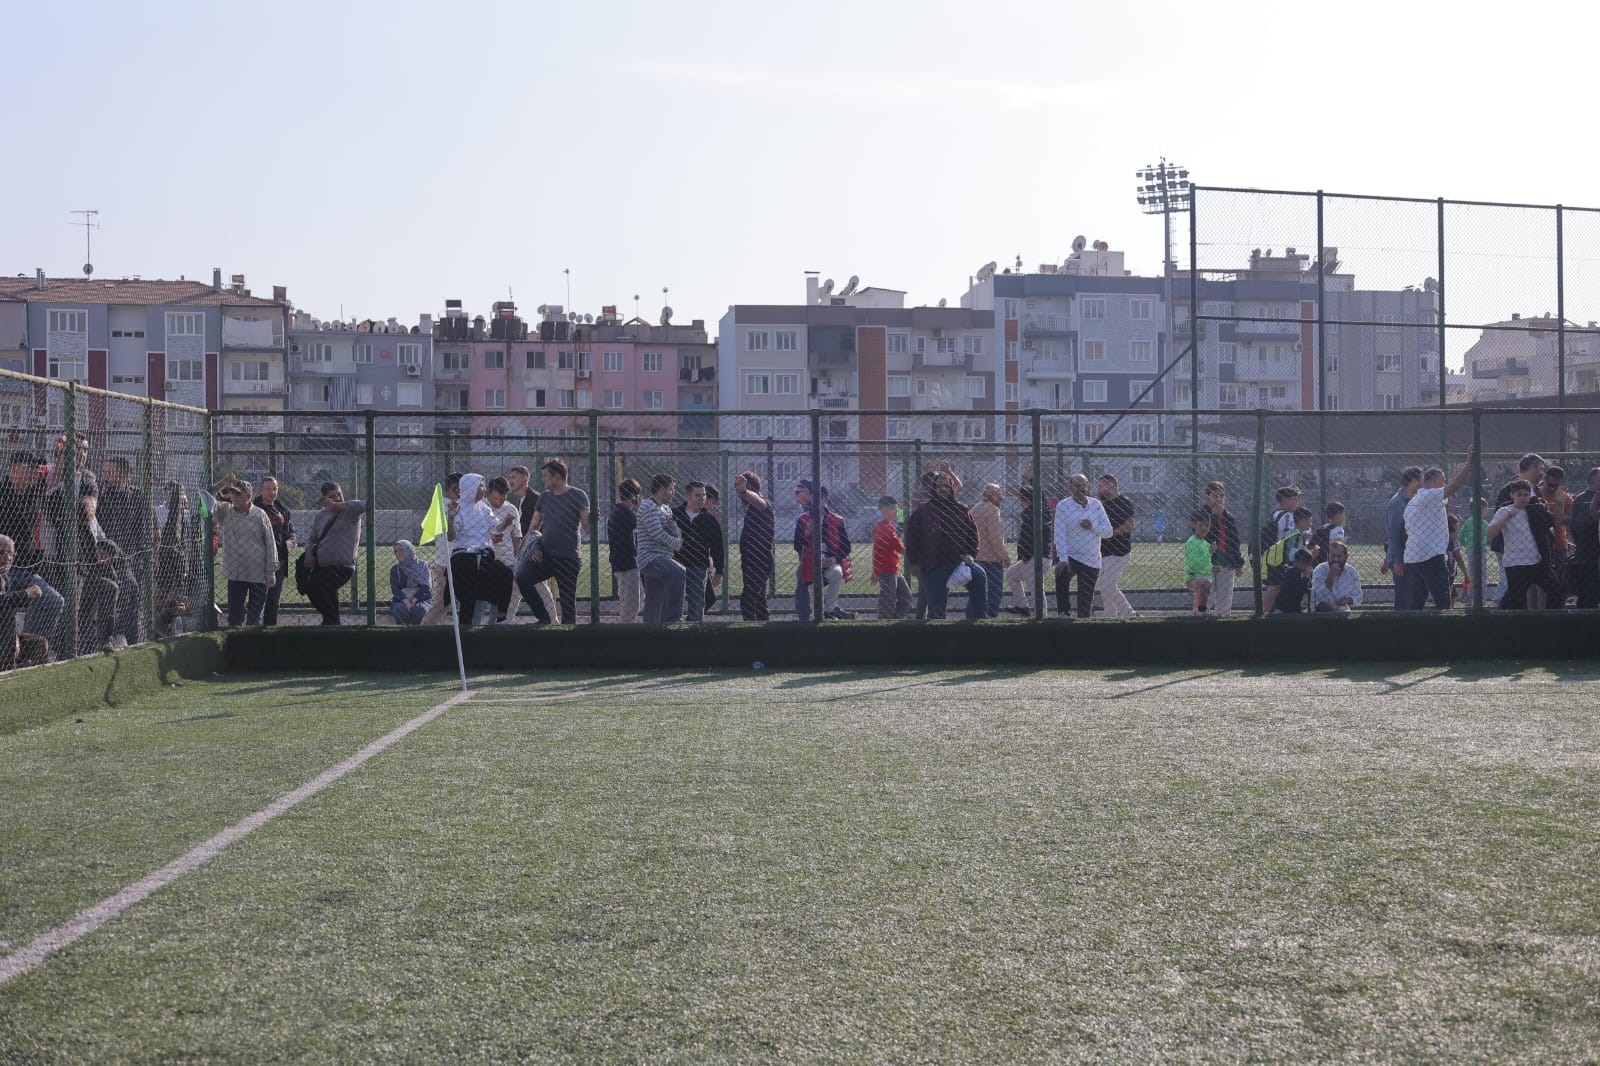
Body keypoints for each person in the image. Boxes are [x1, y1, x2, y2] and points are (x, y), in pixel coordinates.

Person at [1401, 450, 1476, 611]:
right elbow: (1455, 486)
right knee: (1443, 602)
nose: (1445, 483)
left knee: (1416, 605)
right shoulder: (1430, 495)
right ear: (1435, 482)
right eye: (1443, 481)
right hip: (1431, 556)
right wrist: (1469, 463)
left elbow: (1408, 531)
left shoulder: (1413, 502)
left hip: (1413, 558)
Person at [904, 471, 985, 620]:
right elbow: (911, 540)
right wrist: (914, 562)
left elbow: (973, 534)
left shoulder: (962, 510)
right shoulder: (922, 512)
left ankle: (977, 619)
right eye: (940, 486)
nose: (943, 489)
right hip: (933, 565)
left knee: (980, 576)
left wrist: (970, 554)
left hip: (959, 563)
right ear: (933, 488)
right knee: (937, 610)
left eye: (947, 486)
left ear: (952, 489)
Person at [519, 458, 590, 626]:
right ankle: (544, 617)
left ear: (557, 477)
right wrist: (534, 548)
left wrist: (592, 519)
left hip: (568, 557)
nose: (543, 479)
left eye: (546, 476)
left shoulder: (578, 495)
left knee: (567, 601)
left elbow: (588, 528)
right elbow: (533, 527)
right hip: (545, 555)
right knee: (523, 578)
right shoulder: (544, 498)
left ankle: (568, 636)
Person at [445, 473, 515, 626]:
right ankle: (465, 626)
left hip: (484, 555)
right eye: (481, 486)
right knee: (468, 591)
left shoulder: (483, 507)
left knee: (505, 574)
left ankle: (501, 619)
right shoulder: (458, 508)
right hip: (464, 556)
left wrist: (506, 522)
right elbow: (451, 537)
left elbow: (497, 528)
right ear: (471, 488)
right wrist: (450, 519)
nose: (484, 489)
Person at [209, 475, 277, 628]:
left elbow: (270, 543)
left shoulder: (260, 515)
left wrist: (271, 571)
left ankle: (253, 649)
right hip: (236, 573)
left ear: (248, 496)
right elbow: (206, 498)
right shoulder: (225, 511)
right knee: (234, 619)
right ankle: (236, 648)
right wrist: (222, 483)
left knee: (254, 619)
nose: (233, 496)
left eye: (238, 494)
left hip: (258, 573)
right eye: (232, 493)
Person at [1487, 478, 1560, 610]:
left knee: (1556, 590)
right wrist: (1507, 517)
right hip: (1516, 563)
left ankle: (1550, 620)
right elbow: (1490, 533)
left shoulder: (1535, 509)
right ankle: (1503, 620)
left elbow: (1554, 521)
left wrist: (1560, 504)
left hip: (1537, 562)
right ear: (1512, 495)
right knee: (1516, 599)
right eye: (1519, 495)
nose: (1523, 498)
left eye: (1526, 495)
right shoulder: (1505, 510)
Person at [300, 480, 367, 626]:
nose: (337, 497)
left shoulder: (350, 512)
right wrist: (309, 553)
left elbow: (364, 505)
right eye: (332, 496)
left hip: (342, 566)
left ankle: (331, 620)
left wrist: (335, 505)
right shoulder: (320, 516)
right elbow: (311, 537)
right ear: (324, 498)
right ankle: (332, 623)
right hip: (322, 566)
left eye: (339, 494)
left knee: (313, 586)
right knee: (328, 595)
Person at [1052, 474, 1113, 619]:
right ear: (1070, 488)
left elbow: (1109, 532)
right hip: (1071, 556)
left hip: (1091, 559)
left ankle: (1083, 621)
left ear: (1088, 487)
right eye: (1076, 485)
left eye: (1083, 485)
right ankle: (1063, 613)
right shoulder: (1063, 505)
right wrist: (1063, 558)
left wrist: (1093, 527)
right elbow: (1059, 533)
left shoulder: (1096, 505)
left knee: (1085, 601)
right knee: (1061, 574)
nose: (1080, 489)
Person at [1491, 453, 1547, 606]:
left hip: (1530, 549)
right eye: (1540, 469)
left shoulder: (1534, 488)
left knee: (1526, 589)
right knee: (1512, 588)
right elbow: (1500, 519)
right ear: (1532, 467)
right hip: (1511, 549)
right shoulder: (1511, 489)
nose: (1542, 473)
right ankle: (1502, 614)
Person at [0, 533, 62, 663]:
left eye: (11, 554)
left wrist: (15, 636)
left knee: (40, 643)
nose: (7, 558)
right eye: (2, 553)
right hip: (4, 641)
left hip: (6, 636)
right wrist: (26, 594)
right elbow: (3, 602)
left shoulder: (5, 577)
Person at [795, 484, 852, 621]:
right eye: (813, 497)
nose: (816, 500)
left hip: (829, 562)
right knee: (812, 589)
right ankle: (816, 615)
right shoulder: (803, 519)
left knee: (837, 573)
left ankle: (829, 609)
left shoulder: (837, 520)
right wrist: (806, 533)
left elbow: (846, 547)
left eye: (820, 497)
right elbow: (797, 546)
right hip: (811, 563)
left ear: (827, 499)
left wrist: (834, 558)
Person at [636, 473, 685, 625]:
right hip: (650, 558)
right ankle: (673, 619)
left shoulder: (666, 509)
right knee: (679, 572)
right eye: (671, 489)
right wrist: (677, 543)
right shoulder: (647, 506)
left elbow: (676, 531)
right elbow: (657, 534)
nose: (674, 492)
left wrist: (676, 532)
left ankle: (650, 631)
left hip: (664, 557)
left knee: (654, 599)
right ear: (662, 489)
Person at [673, 481, 723, 623]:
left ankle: (692, 635)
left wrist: (719, 571)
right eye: (698, 495)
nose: (702, 498)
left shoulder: (710, 520)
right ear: (688, 496)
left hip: (698, 567)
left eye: (704, 495)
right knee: (673, 605)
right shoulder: (675, 515)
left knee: (697, 608)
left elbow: (717, 547)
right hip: (675, 565)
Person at [153, 482, 199, 637]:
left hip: (180, 563)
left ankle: (172, 629)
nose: (176, 498)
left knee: (181, 605)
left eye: (178, 495)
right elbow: (164, 534)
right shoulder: (158, 511)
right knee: (165, 599)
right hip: (164, 561)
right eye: (173, 494)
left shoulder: (185, 514)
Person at [97, 456, 151, 571]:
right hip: (103, 557)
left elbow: (141, 529)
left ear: (123, 475)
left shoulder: (136, 496)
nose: (105, 477)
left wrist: (133, 556)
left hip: (129, 558)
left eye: (110, 473)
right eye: (104, 472)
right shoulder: (99, 495)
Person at [1004, 485, 1051, 616]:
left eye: (1022, 499)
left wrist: (1025, 556)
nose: (1020, 502)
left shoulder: (1033, 513)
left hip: (1034, 557)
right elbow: (1041, 498)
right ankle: (1022, 606)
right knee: (1011, 575)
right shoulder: (1042, 510)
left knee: (1036, 589)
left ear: (1027, 500)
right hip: (1033, 557)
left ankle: (1042, 617)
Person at [733, 471, 774, 621]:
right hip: (750, 559)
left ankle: (749, 632)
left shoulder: (764, 503)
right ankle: (763, 632)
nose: (739, 495)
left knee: (748, 600)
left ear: (750, 487)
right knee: (759, 601)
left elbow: (759, 502)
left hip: (760, 559)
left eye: (741, 490)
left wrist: (745, 491)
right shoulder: (751, 509)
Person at [254, 476, 294, 626]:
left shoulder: (281, 508)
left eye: (274, 489)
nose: (272, 492)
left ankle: (270, 629)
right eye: (268, 489)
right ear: (261, 490)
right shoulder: (255, 508)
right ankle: (255, 632)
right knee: (258, 601)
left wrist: (292, 539)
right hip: (260, 560)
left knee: (274, 601)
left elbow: (290, 529)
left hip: (280, 560)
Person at [1095, 474, 1137, 619]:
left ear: (1111, 485)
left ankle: (1130, 614)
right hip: (1104, 552)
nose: (1099, 489)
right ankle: (1110, 617)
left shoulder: (1124, 502)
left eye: (1101, 486)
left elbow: (1130, 525)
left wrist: (1111, 533)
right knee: (1105, 588)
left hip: (1120, 552)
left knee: (1108, 586)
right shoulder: (1102, 504)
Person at [1199, 481, 1244, 615]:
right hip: (1207, 561)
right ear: (1207, 497)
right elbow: (1200, 536)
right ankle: (1202, 616)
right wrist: (1212, 517)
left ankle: (1223, 617)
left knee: (1224, 600)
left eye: (1221, 496)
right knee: (1207, 596)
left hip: (1226, 561)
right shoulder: (1201, 514)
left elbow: (1234, 541)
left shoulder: (1229, 517)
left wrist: (1238, 563)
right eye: (1215, 496)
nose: (1219, 500)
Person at [0, 450, 47, 577]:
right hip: (5, 568)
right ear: (14, 468)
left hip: (28, 566)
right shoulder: (3, 493)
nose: (35, 471)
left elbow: (53, 472)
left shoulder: (32, 493)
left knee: (56, 598)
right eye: (30, 467)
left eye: (36, 468)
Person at [1382, 466, 1423, 611]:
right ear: (1413, 481)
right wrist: (1397, 560)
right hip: (1402, 560)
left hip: (1410, 557)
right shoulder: (1397, 503)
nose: (1422, 484)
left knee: (1412, 596)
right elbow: (1392, 535)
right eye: (1421, 480)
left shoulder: (1413, 499)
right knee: (1404, 598)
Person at [1261, 485, 1303, 614]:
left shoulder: (1276, 513)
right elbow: (1287, 538)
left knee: (1275, 587)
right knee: (1274, 588)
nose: (1298, 502)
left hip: (1272, 554)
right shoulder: (1288, 516)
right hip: (1280, 556)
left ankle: (1267, 612)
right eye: (1295, 499)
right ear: (1285, 500)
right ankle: (1265, 613)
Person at [969, 483, 1009, 619]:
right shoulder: (993, 510)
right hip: (991, 559)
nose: (1001, 498)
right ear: (992, 495)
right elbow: (995, 539)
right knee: (994, 593)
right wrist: (1004, 556)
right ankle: (990, 619)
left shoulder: (975, 508)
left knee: (977, 592)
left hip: (976, 557)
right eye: (999, 494)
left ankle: (972, 617)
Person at [871, 495, 913, 620]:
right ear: (882, 510)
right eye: (892, 508)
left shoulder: (888, 526)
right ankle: (883, 625)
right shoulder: (884, 528)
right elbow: (899, 547)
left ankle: (893, 621)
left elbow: (877, 551)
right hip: (887, 570)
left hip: (893, 569)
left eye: (896, 508)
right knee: (888, 602)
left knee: (906, 599)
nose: (896, 511)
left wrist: (874, 571)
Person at [1537, 466, 1574, 608]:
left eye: (1556, 485)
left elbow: (1563, 521)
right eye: (1550, 484)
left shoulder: (1566, 498)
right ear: (1544, 479)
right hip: (1540, 544)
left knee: (1560, 580)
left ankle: (1557, 608)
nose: (1553, 488)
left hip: (1559, 543)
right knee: (1541, 583)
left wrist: (1559, 504)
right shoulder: (1536, 494)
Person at [608, 479, 643, 623]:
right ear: (634, 496)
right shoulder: (625, 514)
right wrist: (640, 507)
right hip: (627, 564)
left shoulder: (618, 512)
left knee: (634, 600)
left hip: (621, 562)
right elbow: (642, 522)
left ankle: (626, 626)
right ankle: (625, 632)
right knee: (631, 605)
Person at [1568, 466, 1600, 610]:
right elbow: (1580, 526)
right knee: (1588, 589)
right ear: (1592, 481)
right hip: (1587, 549)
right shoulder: (1582, 499)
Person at [1312, 540, 1363, 613]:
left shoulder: (1352, 572)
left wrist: (1348, 600)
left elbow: (1359, 597)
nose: (1336, 559)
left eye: (1339, 556)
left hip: (1344, 611)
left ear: (1346, 557)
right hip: (1322, 612)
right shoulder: (1319, 570)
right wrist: (1330, 576)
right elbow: (1319, 598)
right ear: (1327, 556)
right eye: (1333, 556)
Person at [389, 540, 432, 626]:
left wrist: (413, 600)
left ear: (408, 550)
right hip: (402, 600)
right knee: (399, 609)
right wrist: (406, 602)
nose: (398, 553)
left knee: (419, 609)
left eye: (401, 550)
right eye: (396, 551)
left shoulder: (423, 565)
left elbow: (426, 587)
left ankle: (417, 632)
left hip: (421, 599)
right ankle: (404, 632)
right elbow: (395, 590)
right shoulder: (395, 569)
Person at [1183, 512, 1213, 615]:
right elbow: (1194, 564)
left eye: (1207, 525)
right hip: (1192, 577)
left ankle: (1196, 612)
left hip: (1203, 575)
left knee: (1204, 586)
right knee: (1204, 584)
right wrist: (1209, 552)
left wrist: (1213, 568)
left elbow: (1207, 564)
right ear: (1193, 525)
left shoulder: (1206, 543)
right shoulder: (1191, 542)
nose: (1204, 528)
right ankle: (1202, 611)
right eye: (1201, 525)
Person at [1272, 549, 1315, 614]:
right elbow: (1299, 591)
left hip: (1289, 607)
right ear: (1296, 562)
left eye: (1309, 564)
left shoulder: (1296, 572)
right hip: (1284, 609)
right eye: (1306, 564)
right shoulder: (1293, 574)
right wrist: (1306, 578)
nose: (1308, 567)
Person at [507, 464, 539, 536]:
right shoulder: (523, 499)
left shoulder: (535, 499)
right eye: (510, 478)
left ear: (525, 478)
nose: (510, 481)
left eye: (514, 477)